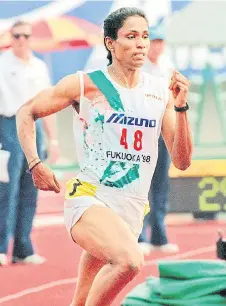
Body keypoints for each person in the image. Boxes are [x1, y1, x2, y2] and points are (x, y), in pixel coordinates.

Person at [16, 7, 192, 306]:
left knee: (82, 301)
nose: (141, 44)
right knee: (129, 261)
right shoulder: (88, 84)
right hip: (90, 195)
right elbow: (26, 111)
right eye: (131, 36)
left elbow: (182, 161)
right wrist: (35, 163)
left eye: (145, 37)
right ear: (111, 43)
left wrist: (181, 108)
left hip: (131, 207)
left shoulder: (159, 91)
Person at [0, 21, 59, 266]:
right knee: (6, 191)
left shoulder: (39, 66)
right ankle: (2, 247)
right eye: (17, 36)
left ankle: (23, 247)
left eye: (26, 35)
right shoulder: (2, 63)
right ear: (11, 38)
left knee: (31, 189)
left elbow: (50, 103)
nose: (22, 40)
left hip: (35, 128)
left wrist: (53, 140)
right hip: (8, 127)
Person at [138, 24, 179, 254]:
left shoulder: (167, 65)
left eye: (160, 42)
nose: (157, 46)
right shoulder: (139, 67)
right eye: (153, 41)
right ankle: (140, 235)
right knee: (142, 183)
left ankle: (160, 235)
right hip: (142, 129)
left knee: (161, 183)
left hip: (163, 129)